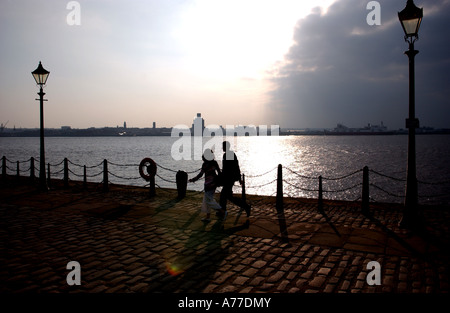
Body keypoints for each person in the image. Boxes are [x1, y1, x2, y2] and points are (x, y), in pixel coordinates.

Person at [218, 141, 251, 219]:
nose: (222, 148)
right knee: (227, 196)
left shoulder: (228, 155)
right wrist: (239, 179)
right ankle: (223, 211)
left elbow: (233, 168)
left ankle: (245, 207)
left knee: (224, 196)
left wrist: (239, 179)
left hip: (228, 179)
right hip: (229, 178)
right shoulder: (228, 154)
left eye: (223, 146)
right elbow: (236, 167)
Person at [189, 149, 222, 222]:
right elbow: (219, 172)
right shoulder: (214, 163)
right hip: (214, 184)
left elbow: (200, 174)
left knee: (209, 200)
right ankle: (208, 217)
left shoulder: (205, 164)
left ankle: (222, 211)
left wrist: (193, 179)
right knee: (208, 199)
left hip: (208, 184)